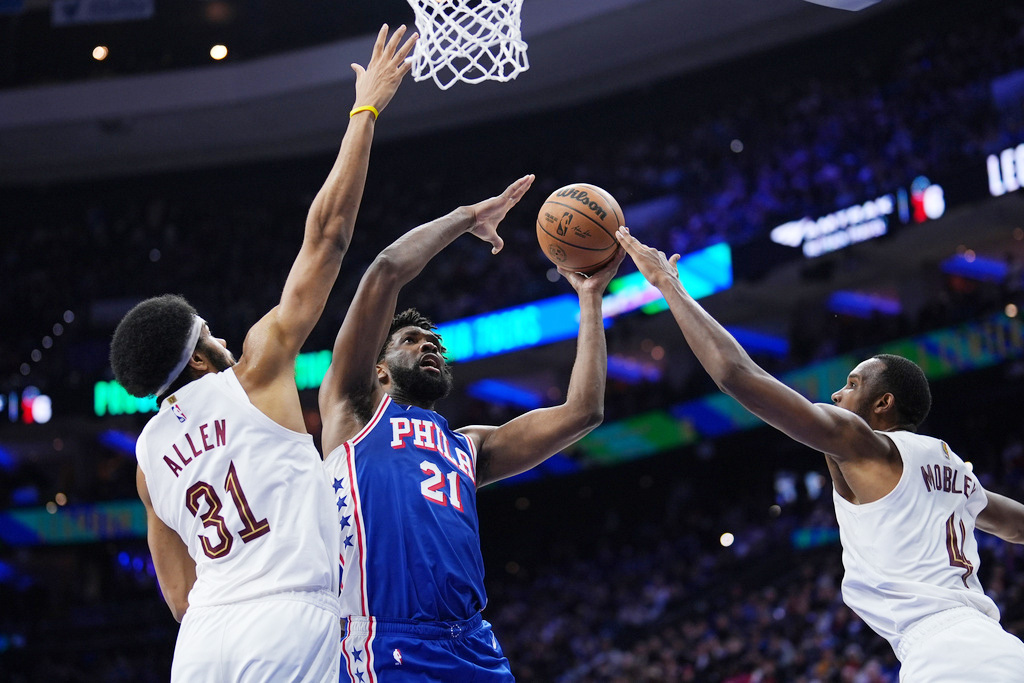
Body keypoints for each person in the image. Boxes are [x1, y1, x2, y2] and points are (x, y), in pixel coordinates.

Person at [108, 25, 417, 682]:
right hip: (289, 620)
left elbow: (176, 593)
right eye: (209, 332)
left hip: (200, 643)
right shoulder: (255, 370)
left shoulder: (145, 460)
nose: (223, 335)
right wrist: (366, 110)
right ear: (197, 358)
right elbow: (329, 238)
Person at [614, 226, 1024, 681]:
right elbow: (1018, 525)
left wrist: (670, 287)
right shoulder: (955, 471)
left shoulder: (863, 441)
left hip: (948, 656)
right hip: (996, 645)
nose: (836, 392)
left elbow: (736, 375)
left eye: (852, 384)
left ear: (883, 403)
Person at [318, 174, 624, 681]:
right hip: (388, 642)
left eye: (435, 341)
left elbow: (583, 411)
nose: (431, 346)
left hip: (475, 643)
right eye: (413, 340)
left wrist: (590, 298)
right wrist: (466, 218)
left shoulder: (469, 445)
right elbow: (386, 271)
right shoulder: (352, 412)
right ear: (378, 368)